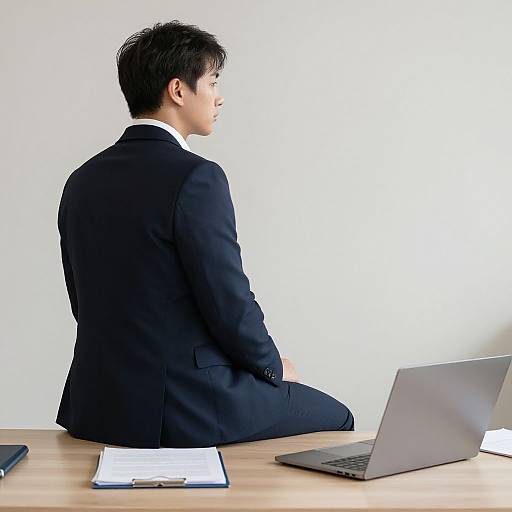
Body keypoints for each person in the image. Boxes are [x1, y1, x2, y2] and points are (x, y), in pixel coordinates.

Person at [56, 20, 354, 449]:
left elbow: (82, 301)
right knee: (338, 417)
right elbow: (227, 300)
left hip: (98, 405)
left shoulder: (81, 179)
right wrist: (272, 366)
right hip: (187, 408)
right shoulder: (196, 178)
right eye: (212, 81)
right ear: (178, 90)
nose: (218, 96)